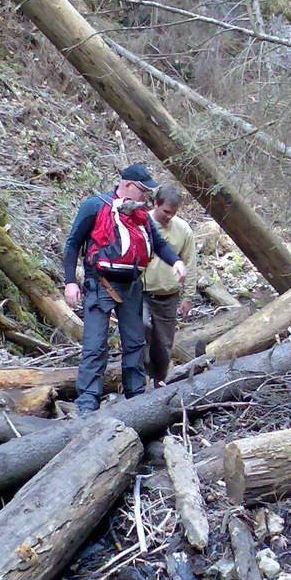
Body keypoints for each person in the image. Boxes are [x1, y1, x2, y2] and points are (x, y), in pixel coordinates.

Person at [63, 164, 186, 414]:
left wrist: (176, 261)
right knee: (95, 345)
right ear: (128, 185)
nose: (147, 196)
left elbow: (159, 243)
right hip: (100, 284)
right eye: (143, 190)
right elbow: (73, 243)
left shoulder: (140, 215)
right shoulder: (95, 206)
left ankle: (136, 397)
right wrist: (70, 281)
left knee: (135, 343)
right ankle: (87, 403)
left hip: (131, 286)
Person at [143, 186, 196, 386]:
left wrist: (188, 297)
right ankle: (141, 379)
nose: (169, 217)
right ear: (155, 203)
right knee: (140, 330)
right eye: (166, 211)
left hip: (168, 294)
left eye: (173, 213)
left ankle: (159, 382)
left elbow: (190, 263)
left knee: (164, 344)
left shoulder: (183, 230)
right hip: (139, 291)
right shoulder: (140, 222)